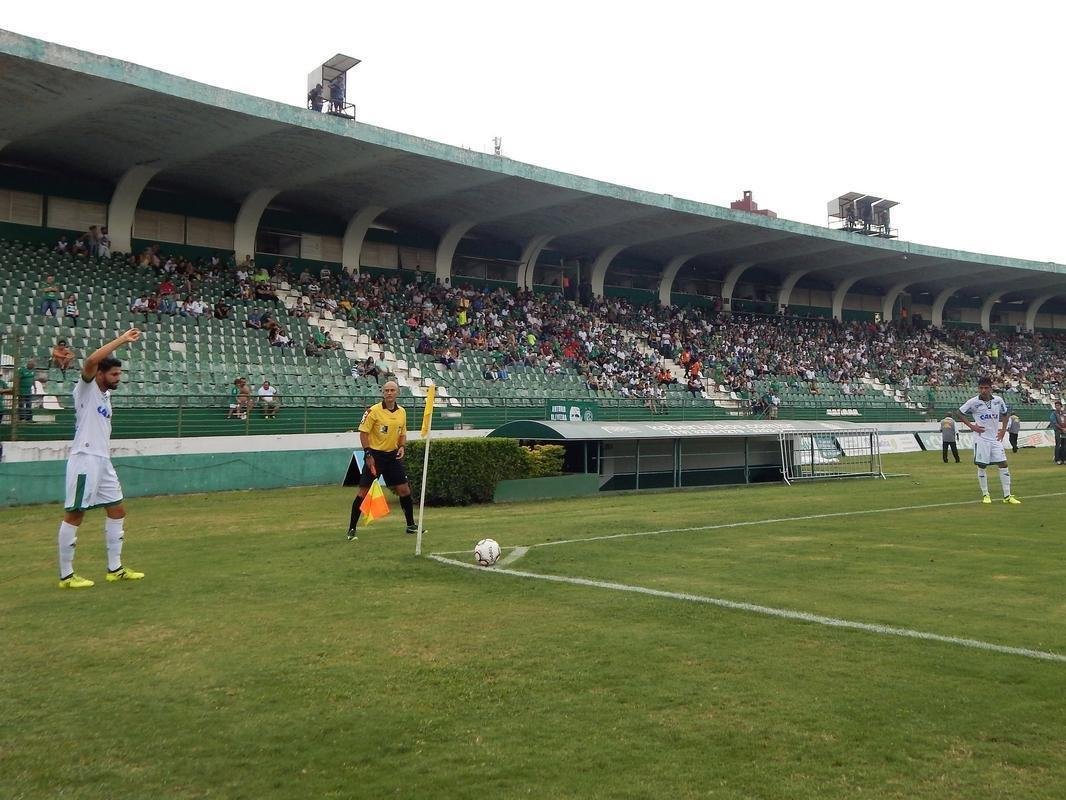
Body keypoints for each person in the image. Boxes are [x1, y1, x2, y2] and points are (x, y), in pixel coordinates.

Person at [57, 329, 145, 589]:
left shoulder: (106, 396)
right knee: (75, 514)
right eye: (114, 374)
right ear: (100, 374)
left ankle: (114, 569)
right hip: (85, 458)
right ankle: (66, 575)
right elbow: (91, 361)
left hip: (103, 460)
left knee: (117, 509)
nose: (118, 378)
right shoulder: (85, 389)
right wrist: (122, 340)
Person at [347, 381, 421, 540]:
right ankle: (351, 529)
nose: (389, 393)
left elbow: (402, 432)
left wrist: (401, 446)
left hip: (392, 456)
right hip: (375, 456)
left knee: (404, 490)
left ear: (397, 393)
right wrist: (368, 454)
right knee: (363, 492)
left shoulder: (402, 412)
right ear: (382, 393)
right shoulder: (373, 411)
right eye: (386, 390)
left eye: (392, 390)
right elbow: (363, 433)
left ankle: (410, 526)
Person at [956, 376, 1020, 505]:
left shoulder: (998, 400)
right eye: (981, 388)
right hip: (981, 439)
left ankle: (1007, 495)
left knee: (1003, 464)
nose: (983, 390)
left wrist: (1003, 430)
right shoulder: (973, 402)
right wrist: (972, 426)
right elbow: (959, 412)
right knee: (982, 465)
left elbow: (1005, 413)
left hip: (995, 439)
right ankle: (986, 494)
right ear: (978, 389)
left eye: (986, 388)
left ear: (991, 388)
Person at [1050, 400, 1066, 465]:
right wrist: (1061, 428)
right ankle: (1057, 459)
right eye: (1056, 405)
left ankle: (1064, 458)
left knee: (1064, 445)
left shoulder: (1063, 413)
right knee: (1058, 445)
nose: (1057, 407)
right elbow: (1054, 422)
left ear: (1061, 406)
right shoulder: (1053, 414)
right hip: (1058, 431)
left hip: (1064, 431)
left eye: (1058, 405)